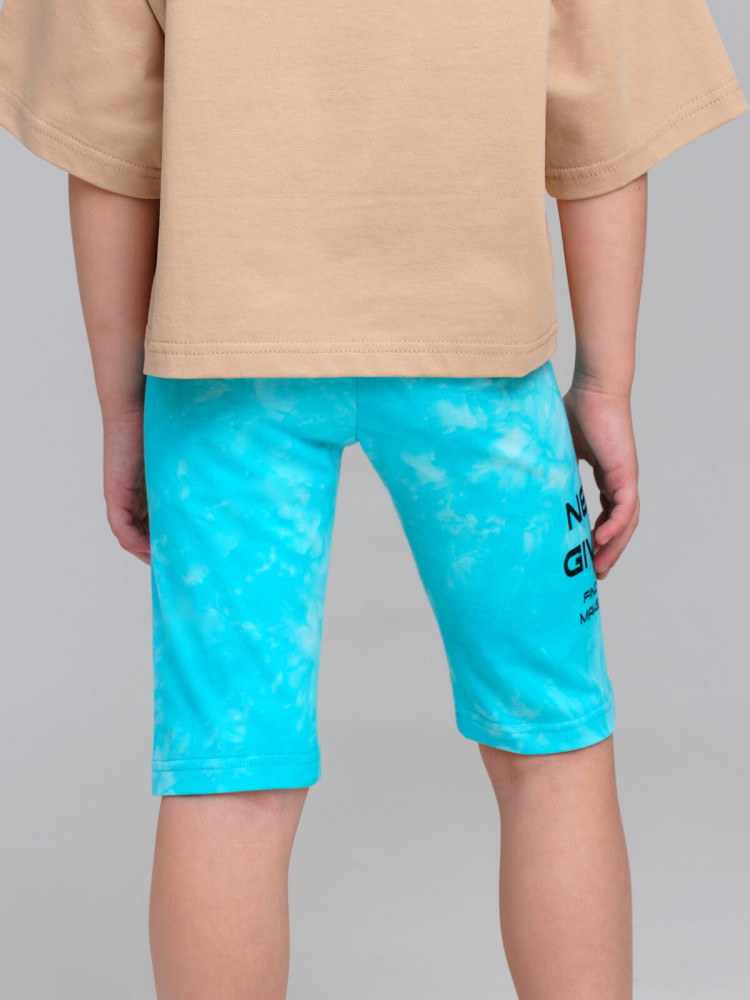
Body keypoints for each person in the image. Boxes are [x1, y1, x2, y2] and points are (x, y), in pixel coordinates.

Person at [0, 2, 746, 998]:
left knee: (230, 769)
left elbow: (105, 140)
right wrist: (606, 384)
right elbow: (609, 114)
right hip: (481, 363)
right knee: (552, 745)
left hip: (226, 373)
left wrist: (121, 405)